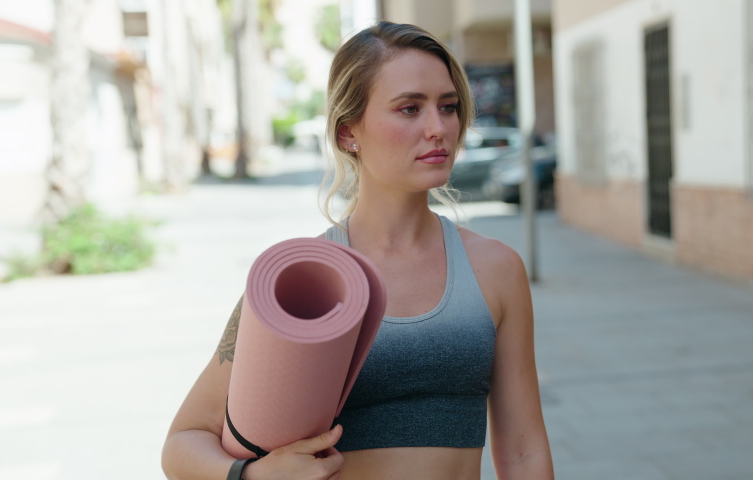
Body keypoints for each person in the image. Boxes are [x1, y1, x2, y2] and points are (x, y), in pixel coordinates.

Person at [161, 21, 553, 480]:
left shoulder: (496, 269)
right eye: (409, 109)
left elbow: (524, 451)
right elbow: (183, 442)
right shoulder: (300, 281)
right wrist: (253, 476)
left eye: (448, 107)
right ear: (349, 132)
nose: (438, 128)